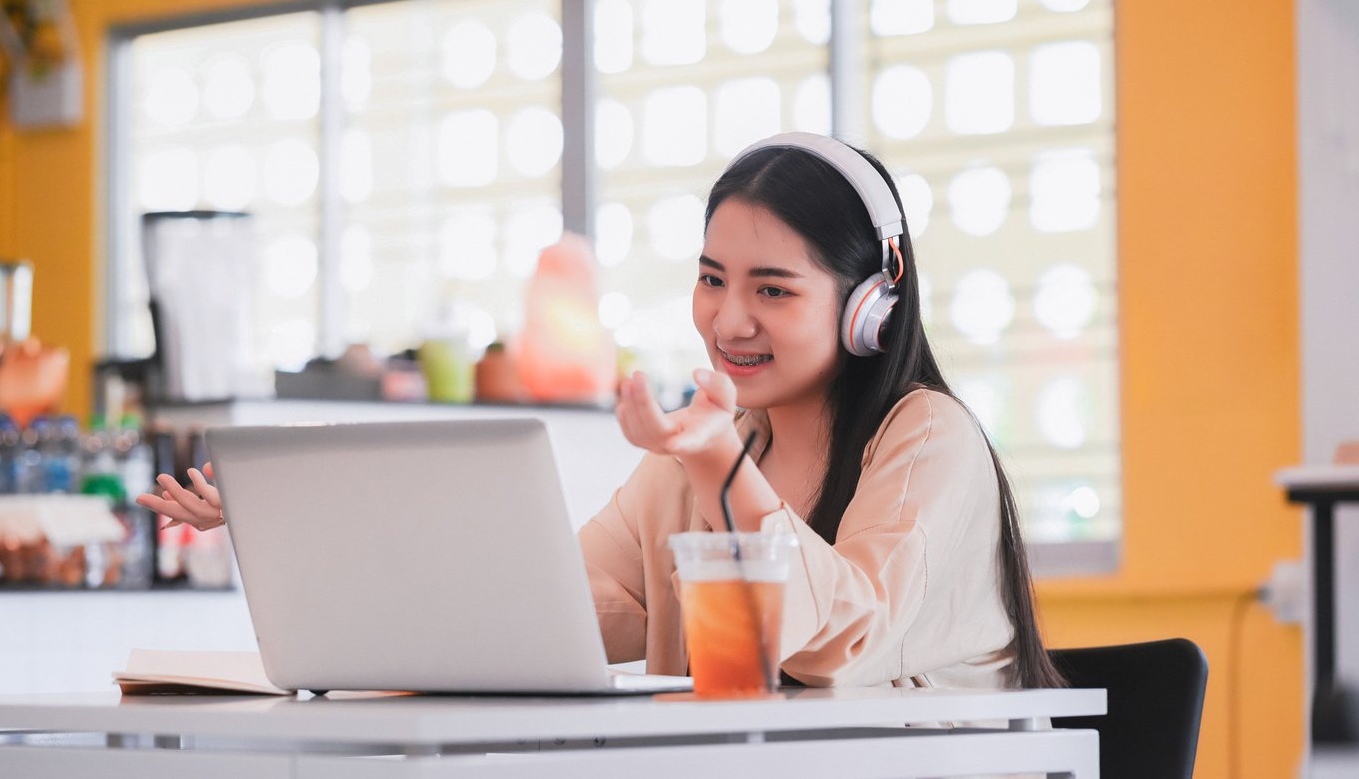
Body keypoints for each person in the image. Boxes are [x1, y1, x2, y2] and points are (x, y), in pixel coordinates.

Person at [138, 131, 1063, 691]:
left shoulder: (926, 437)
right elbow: (548, 603)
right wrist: (313, 517)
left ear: (871, 307)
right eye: (711, 279)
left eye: (772, 289)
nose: (727, 319)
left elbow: (844, 638)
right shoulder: (708, 445)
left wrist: (718, 468)